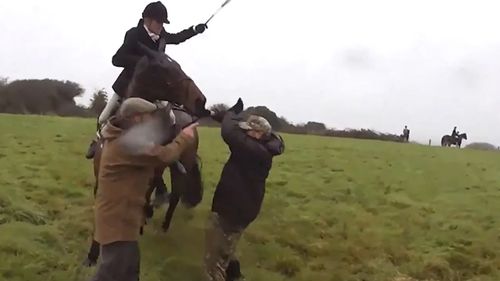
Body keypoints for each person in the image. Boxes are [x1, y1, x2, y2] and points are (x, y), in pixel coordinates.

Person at [90, 97, 198, 281]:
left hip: (125, 218)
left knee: (130, 271)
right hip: (117, 222)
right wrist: (185, 137)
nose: (152, 122)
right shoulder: (128, 144)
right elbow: (166, 155)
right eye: (149, 117)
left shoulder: (121, 136)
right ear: (136, 118)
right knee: (110, 274)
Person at [85, 1, 207, 159]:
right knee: (104, 117)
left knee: (170, 118)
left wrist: (194, 30)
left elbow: (177, 38)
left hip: (154, 88)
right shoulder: (134, 34)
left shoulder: (161, 35)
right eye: (159, 22)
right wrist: (144, 61)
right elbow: (117, 59)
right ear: (147, 20)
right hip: (129, 84)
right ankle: (98, 144)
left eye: (163, 22)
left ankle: (167, 152)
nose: (161, 26)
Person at [205, 98, 285, 281]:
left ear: (258, 133)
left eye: (247, 130)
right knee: (227, 245)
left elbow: (229, 132)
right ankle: (235, 276)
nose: (244, 133)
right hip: (241, 208)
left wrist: (230, 114)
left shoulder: (253, 150)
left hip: (233, 210)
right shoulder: (264, 146)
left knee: (214, 259)